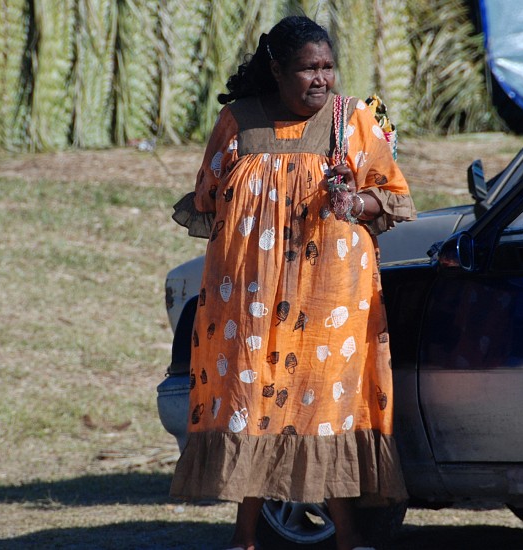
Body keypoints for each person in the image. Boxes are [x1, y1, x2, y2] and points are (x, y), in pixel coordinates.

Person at [170, 15, 416, 550]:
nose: (322, 79)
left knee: (323, 406)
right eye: (308, 68)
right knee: (253, 403)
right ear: (277, 71)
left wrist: (356, 201)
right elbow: (208, 199)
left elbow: (392, 195)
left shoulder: (356, 119)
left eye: (328, 67)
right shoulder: (238, 122)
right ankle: (245, 538)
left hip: (331, 295)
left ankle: (347, 537)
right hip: (251, 300)